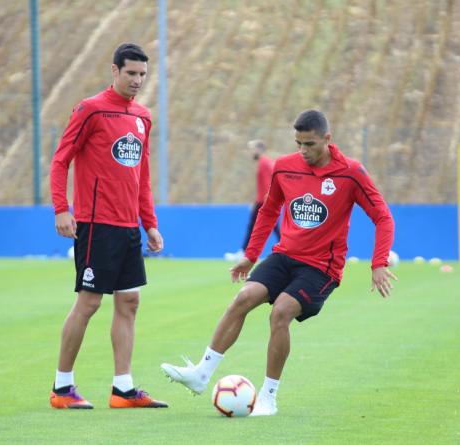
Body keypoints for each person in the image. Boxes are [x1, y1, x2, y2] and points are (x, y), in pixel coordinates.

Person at [161, 109, 396, 416]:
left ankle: (268, 397)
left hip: (322, 268)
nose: (303, 150)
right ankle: (201, 374)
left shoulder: (351, 173)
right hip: (285, 255)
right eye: (298, 143)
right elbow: (268, 211)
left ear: (327, 139)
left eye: (309, 144)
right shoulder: (284, 167)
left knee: (281, 311)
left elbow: (382, 216)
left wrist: (378, 263)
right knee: (243, 297)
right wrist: (251, 255)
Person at [49, 43, 168, 410]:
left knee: (129, 301)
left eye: (142, 75)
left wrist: (149, 223)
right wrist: (61, 209)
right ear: (114, 71)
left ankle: (123, 389)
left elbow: (142, 177)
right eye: (130, 73)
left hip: (128, 227)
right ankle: (62, 388)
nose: (137, 80)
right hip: (95, 224)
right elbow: (60, 160)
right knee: (88, 302)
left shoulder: (143, 117)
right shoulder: (91, 109)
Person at [239, 140, 280, 254]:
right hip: (262, 201)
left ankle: (243, 252)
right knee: (272, 226)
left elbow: (268, 185)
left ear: (258, 149)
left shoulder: (264, 163)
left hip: (263, 201)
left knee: (254, 226)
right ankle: (287, 250)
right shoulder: (264, 162)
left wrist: (267, 203)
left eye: (252, 149)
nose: (250, 152)